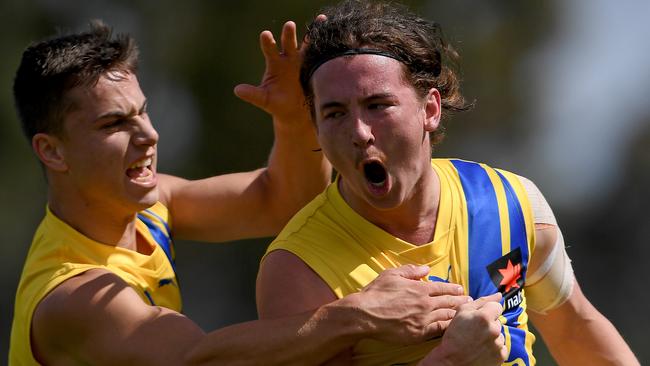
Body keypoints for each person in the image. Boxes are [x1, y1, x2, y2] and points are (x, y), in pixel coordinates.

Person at [9, 20, 478, 365]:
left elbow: (283, 203)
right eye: (114, 123)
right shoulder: (73, 295)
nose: (148, 135)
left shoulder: (146, 206)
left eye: (142, 112)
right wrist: (358, 315)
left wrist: (295, 121)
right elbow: (199, 359)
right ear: (52, 151)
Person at [257, 1, 640, 365]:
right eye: (335, 113)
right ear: (317, 130)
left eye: (378, 106)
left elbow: (575, 331)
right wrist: (450, 360)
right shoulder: (298, 268)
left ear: (430, 110)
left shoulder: (510, 204)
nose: (359, 132)